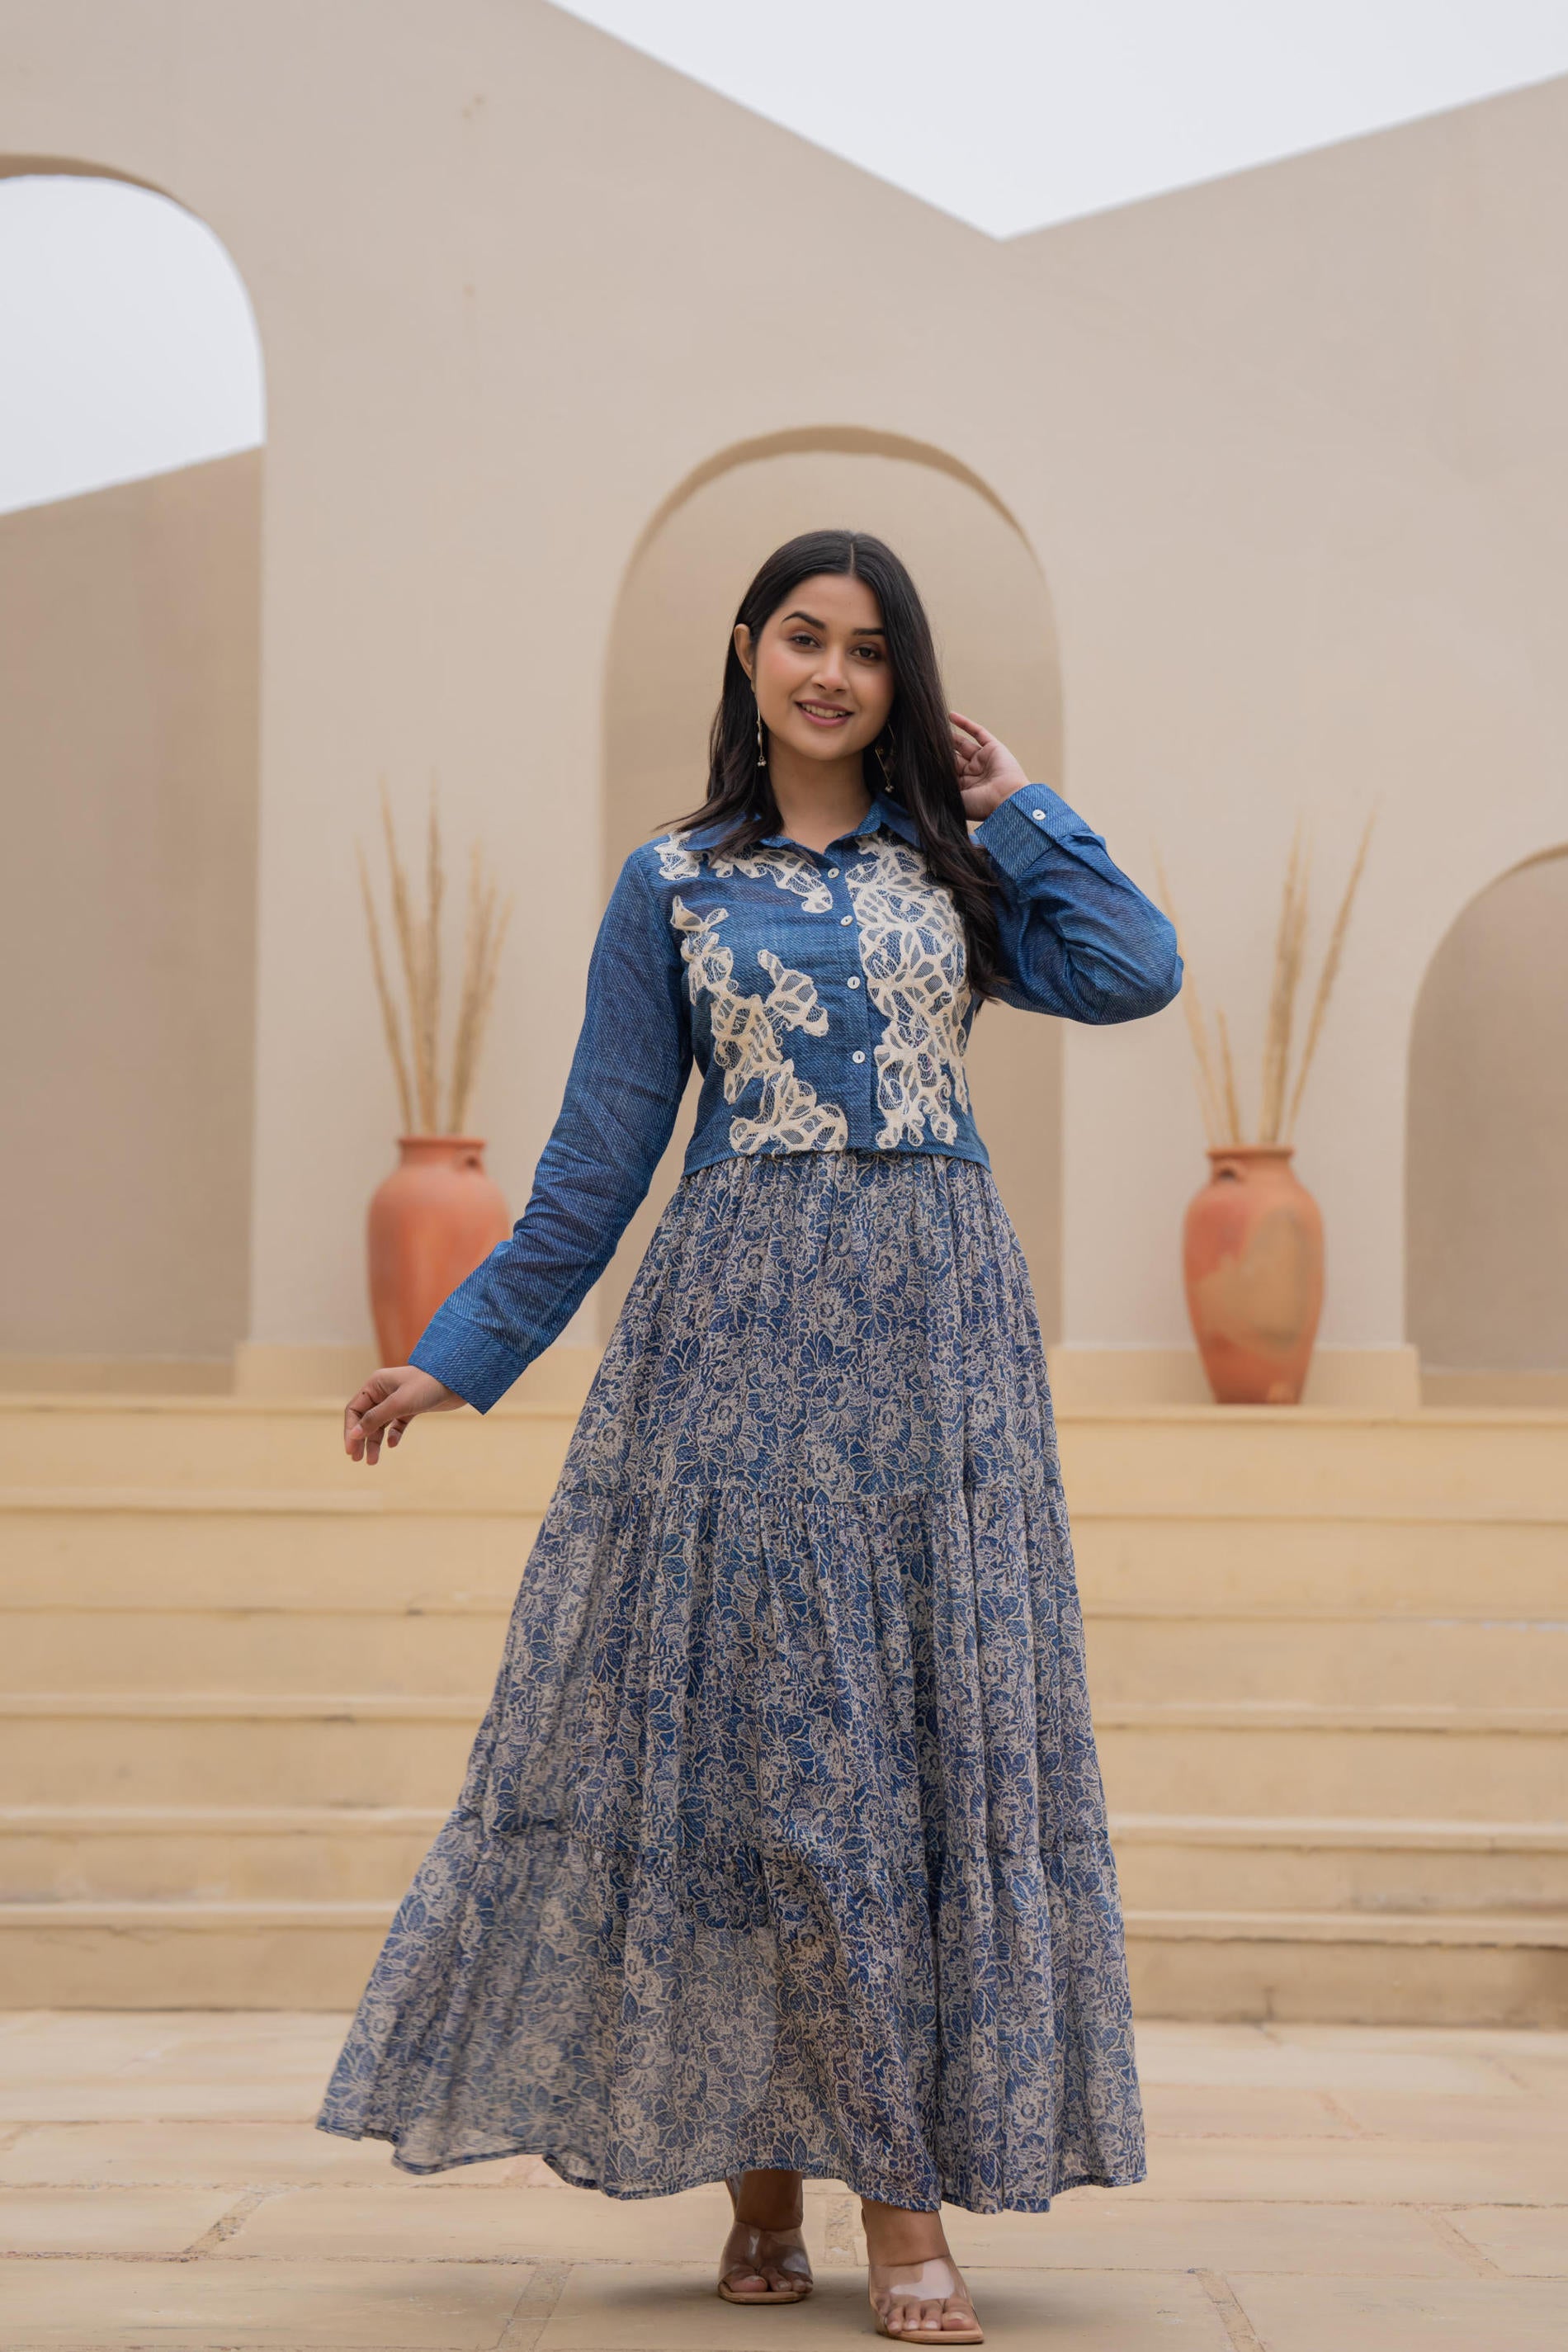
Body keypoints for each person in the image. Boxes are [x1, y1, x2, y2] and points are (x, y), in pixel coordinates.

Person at [318, 529, 1181, 2345]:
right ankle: (767, 2171)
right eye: (804, 638)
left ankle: (898, 2202)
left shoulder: (954, 867)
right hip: (732, 1342)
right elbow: (592, 1164)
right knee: (761, 1753)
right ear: (746, 649)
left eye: (870, 651)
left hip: (932, 1349)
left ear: (901, 681)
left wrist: (1021, 804)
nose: (833, 676)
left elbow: (1132, 971)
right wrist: (456, 1356)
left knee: (892, 1757)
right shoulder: (673, 884)